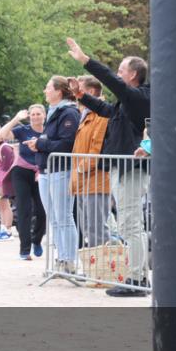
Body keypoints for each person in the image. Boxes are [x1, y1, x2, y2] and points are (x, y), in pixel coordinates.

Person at [66, 38, 151, 296]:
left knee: (130, 224)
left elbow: (111, 82)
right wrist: (80, 95)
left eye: (122, 70)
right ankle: (136, 276)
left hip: (132, 170)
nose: (117, 74)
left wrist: (85, 60)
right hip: (119, 168)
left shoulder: (138, 97)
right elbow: (105, 109)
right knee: (127, 224)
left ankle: (137, 279)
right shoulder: (125, 102)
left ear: (133, 74)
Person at [24, 77, 80, 272]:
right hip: (46, 170)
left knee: (64, 217)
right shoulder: (53, 112)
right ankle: (61, 258)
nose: (45, 91)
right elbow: (52, 140)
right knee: (54, 218)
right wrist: (39, 144)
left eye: (48, 87)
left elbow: (67, 143)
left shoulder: (69, 112)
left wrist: (40, 144)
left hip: (61, 170)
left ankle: (70, 260)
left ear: (58, 91)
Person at [68, 75, 111, 249]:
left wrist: (80, 168)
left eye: (80, 88)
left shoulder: (101, 115)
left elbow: (97, 147)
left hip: (95, 179)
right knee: (87, 228)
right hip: (84, 180)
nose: (76, 92)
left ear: (91, 92)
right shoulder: (85, 114)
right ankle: (94, 269)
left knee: (97, 229)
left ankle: (102, 271)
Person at [0, 105, 48, 259]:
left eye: (38, 114)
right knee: (23, 210)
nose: (35, 117)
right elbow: (2, 135)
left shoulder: (49, 131)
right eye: (32, 114)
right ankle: (24, 250)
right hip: (21, 172)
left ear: (44, 115)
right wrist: (16, 119)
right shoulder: (23, 130)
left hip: (41, 173)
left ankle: (37, 240)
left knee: (42, 210)